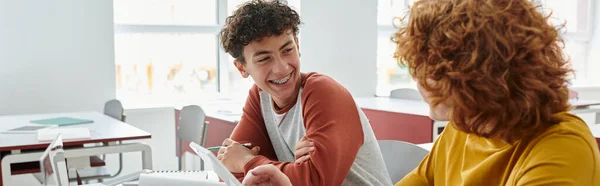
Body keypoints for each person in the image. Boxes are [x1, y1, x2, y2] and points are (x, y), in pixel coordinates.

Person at [241, 0, 600, 185]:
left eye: (431, 69)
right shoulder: (464, 128)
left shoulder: (561, 147)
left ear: (482, 74)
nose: (419, 81)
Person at [216, 0, 392, 185]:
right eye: (264, 59)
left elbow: (316, 181)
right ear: (242, 68)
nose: (281, 68)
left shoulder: (324, 93)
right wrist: (291, 169)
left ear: (297, 46)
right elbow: (227, 170)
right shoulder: (260, 97)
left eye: (287, 50)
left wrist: (247, 161)